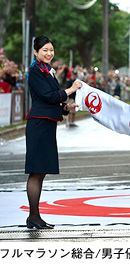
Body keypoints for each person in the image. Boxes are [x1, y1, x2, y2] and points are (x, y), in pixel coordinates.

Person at [25, 36, 82, 229]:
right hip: (39, 125)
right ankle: (33, 216)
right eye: (44, 50)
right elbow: (48, 96)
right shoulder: (35, 71)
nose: (49, 53)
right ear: (36, 52)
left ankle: (35, 216)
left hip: (47, 124)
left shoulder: (47, 71)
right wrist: (71, 89)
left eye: (51, 49)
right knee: (36, 171)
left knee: (41, 172)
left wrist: (67, 107)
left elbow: (52, 101)